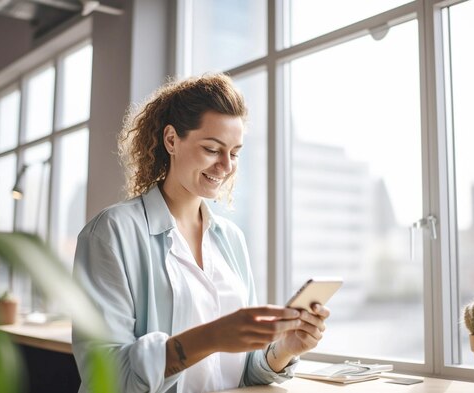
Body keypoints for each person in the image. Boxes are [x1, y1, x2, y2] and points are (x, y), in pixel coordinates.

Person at [72, 73, 330, 393]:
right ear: (171, 140)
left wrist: (285, 349)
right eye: (212, 149)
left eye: (234, 153)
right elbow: (105, 378)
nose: (225, 166)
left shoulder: (231, 239)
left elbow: (242, 373)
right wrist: (211, 337)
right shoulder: (111, 233)